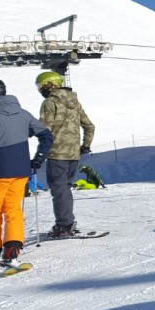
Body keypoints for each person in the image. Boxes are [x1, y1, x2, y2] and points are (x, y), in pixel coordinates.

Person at [0, 78, 52, 269]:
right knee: (13, 209)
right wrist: (38, 159)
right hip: (20, 172)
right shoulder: (23, 114)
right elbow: (46, 135)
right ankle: (11, 251)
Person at [36, 71, 95, 237]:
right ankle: (67, 221)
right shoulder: (75, 102)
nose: (40, 89)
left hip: (56, 154)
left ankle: (64, 225)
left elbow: (44, 130)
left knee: (59, 190)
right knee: (65, 189)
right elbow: (90, 126)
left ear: (49, 84)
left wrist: (40, 153)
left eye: (41, 85)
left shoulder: (50, 102)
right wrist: (85, 146)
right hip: (73, 155)